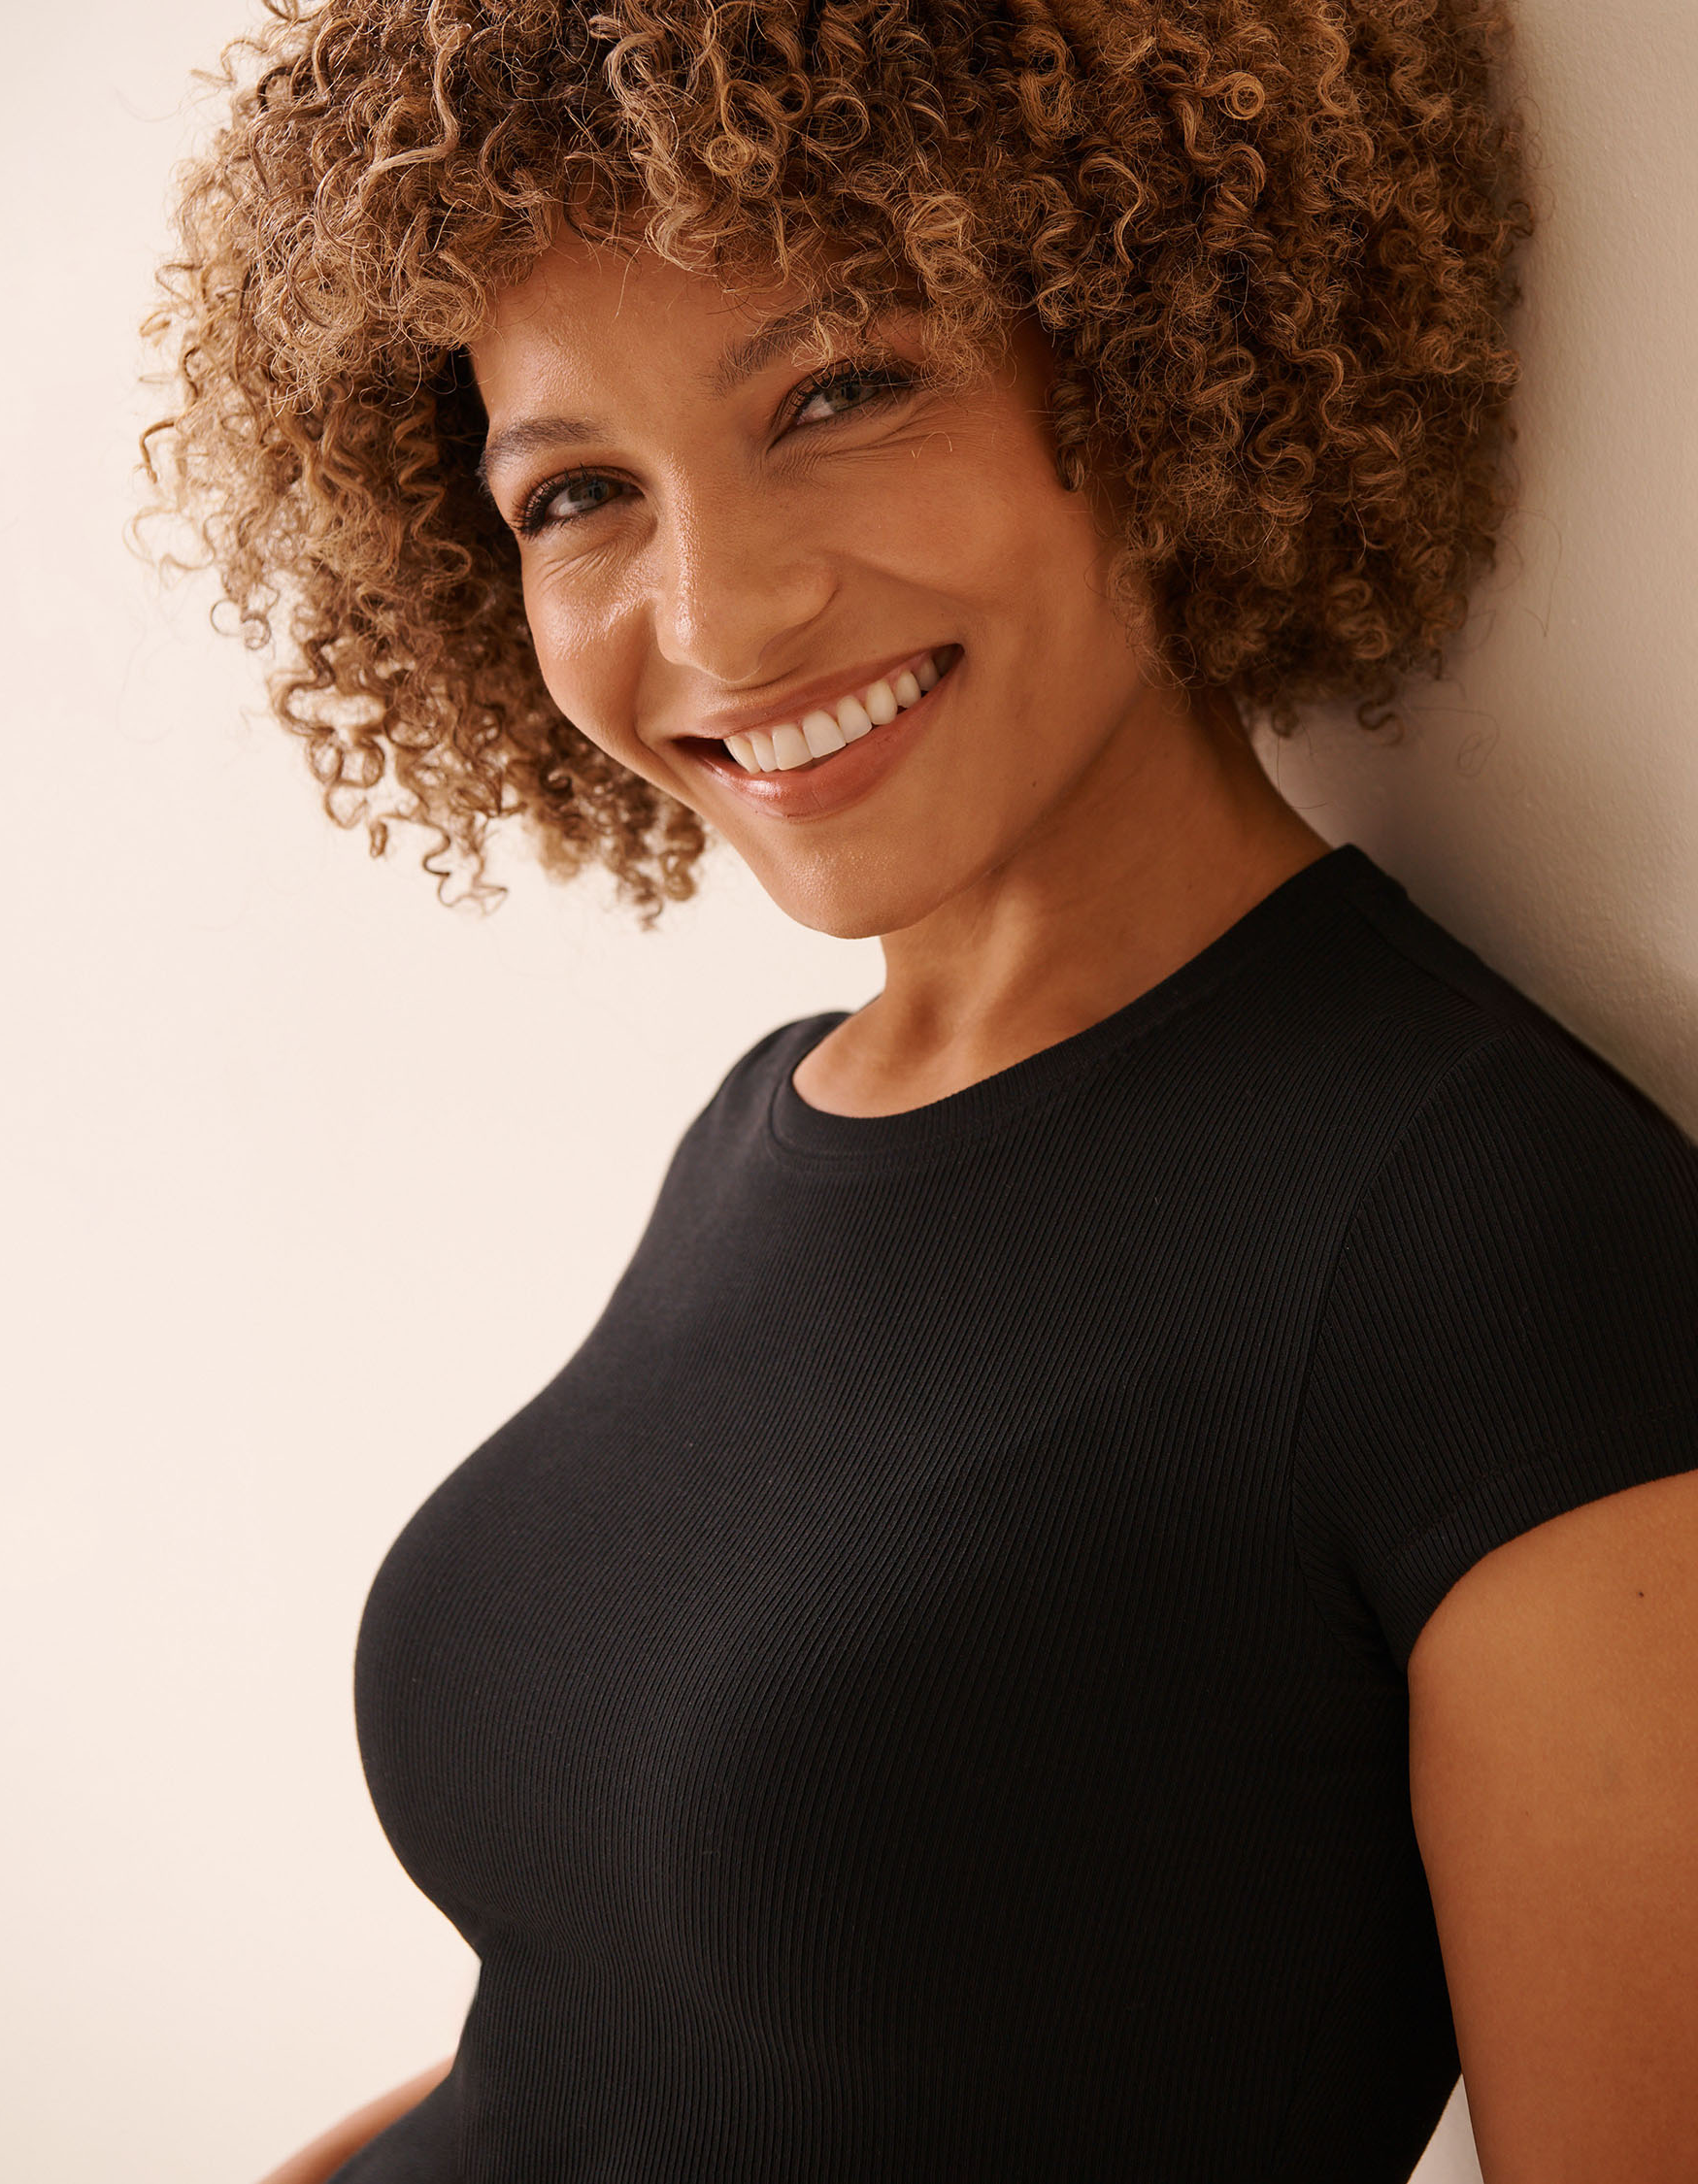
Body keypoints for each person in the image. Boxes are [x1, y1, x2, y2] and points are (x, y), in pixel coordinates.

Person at [143, 2, 1698, 2179]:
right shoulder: (769, 1120)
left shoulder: (1489, 1237)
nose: (724, 615)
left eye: (843, 390)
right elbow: (596, 2034)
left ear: (1152, 350)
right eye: (581, 494)